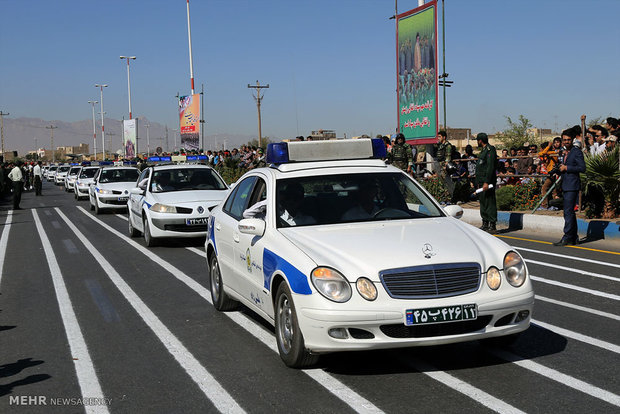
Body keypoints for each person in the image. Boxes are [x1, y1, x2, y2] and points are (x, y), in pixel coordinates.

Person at [553, 129, 586, 246]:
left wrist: (567, 168)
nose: (566, 142)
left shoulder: (576, 152)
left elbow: (582, 168)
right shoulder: (562, 152)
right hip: (564, 184)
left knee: (567, 211)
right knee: (569, 212)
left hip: (572, 185)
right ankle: (573, 237)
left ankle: (567, 236)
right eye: (564, 140)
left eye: (568, 140)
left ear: (572, 140)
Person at [474, 133, 498, 233]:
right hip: (481, 181)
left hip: (487, 182)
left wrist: (486, 182)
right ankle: (485, 223)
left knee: (489, 202)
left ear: (480, 140)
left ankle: (492, 224)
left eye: (477, 140)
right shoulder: (483, 151)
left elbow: (490, 167)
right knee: (483, 202)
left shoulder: (490, 150)